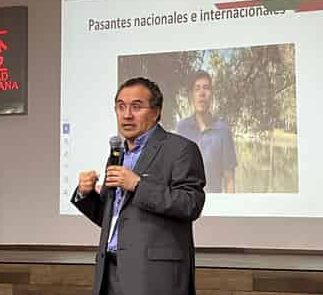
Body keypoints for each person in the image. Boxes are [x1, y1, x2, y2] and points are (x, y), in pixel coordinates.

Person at [71, 77, 206, 295]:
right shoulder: (118, 154)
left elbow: (190, 204)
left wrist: (138, 185)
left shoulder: (181, 149)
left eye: (136, 107)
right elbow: (113, 218)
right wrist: (85, 194)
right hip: (111, 274)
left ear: (156, 112)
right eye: (121, 107)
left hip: (154, 277)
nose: (126, 115)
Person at [176, 70, 237, 193]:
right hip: (187, 206)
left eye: (206, 88)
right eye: (197, 89)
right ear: (191, 95)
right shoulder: (182, 129)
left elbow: (229, 179)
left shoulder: (223, 131)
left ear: (212, 95)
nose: (202, 93)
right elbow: (176, 174)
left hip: (215, 206)